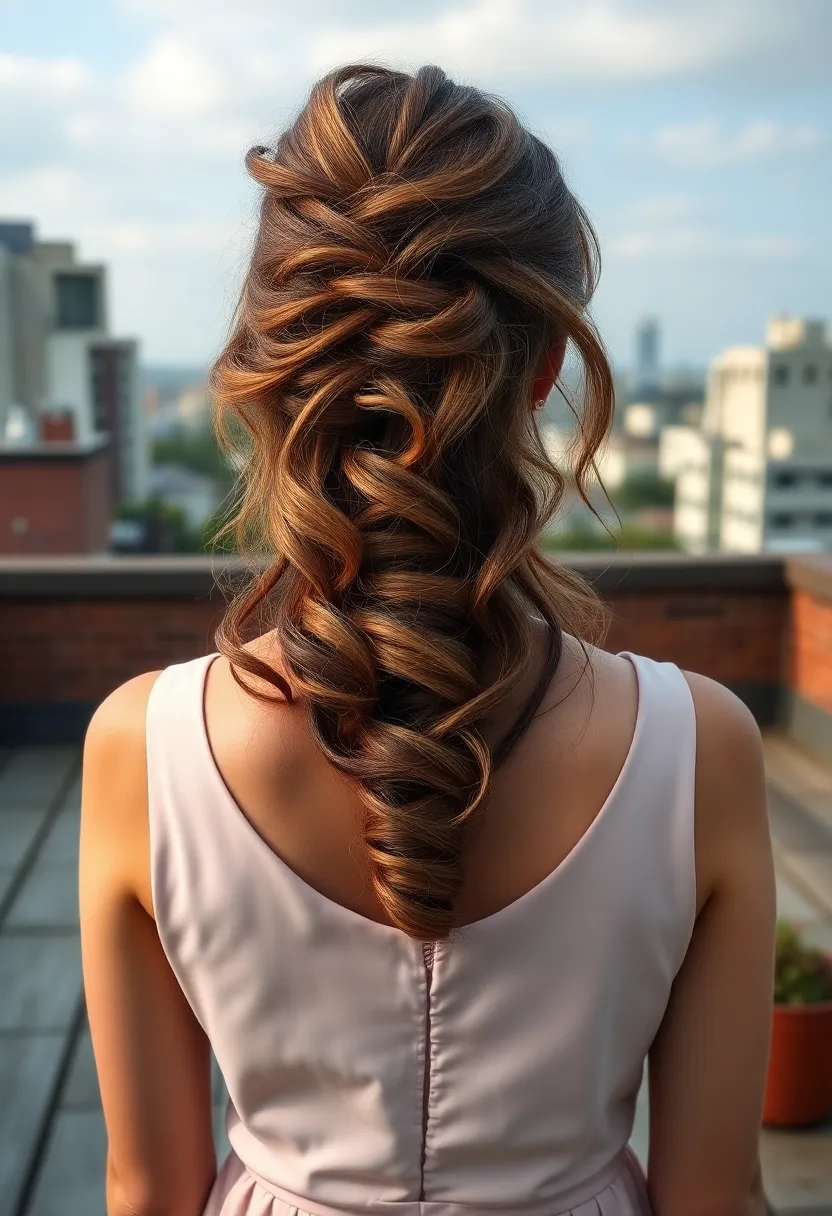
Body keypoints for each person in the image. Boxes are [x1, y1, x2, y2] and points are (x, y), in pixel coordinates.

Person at [80, 63, 775, 1216]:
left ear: (273, 353)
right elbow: (715, 1196)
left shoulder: (136, 749)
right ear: (546, 367)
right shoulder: (702, 749)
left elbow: (145, 1190)